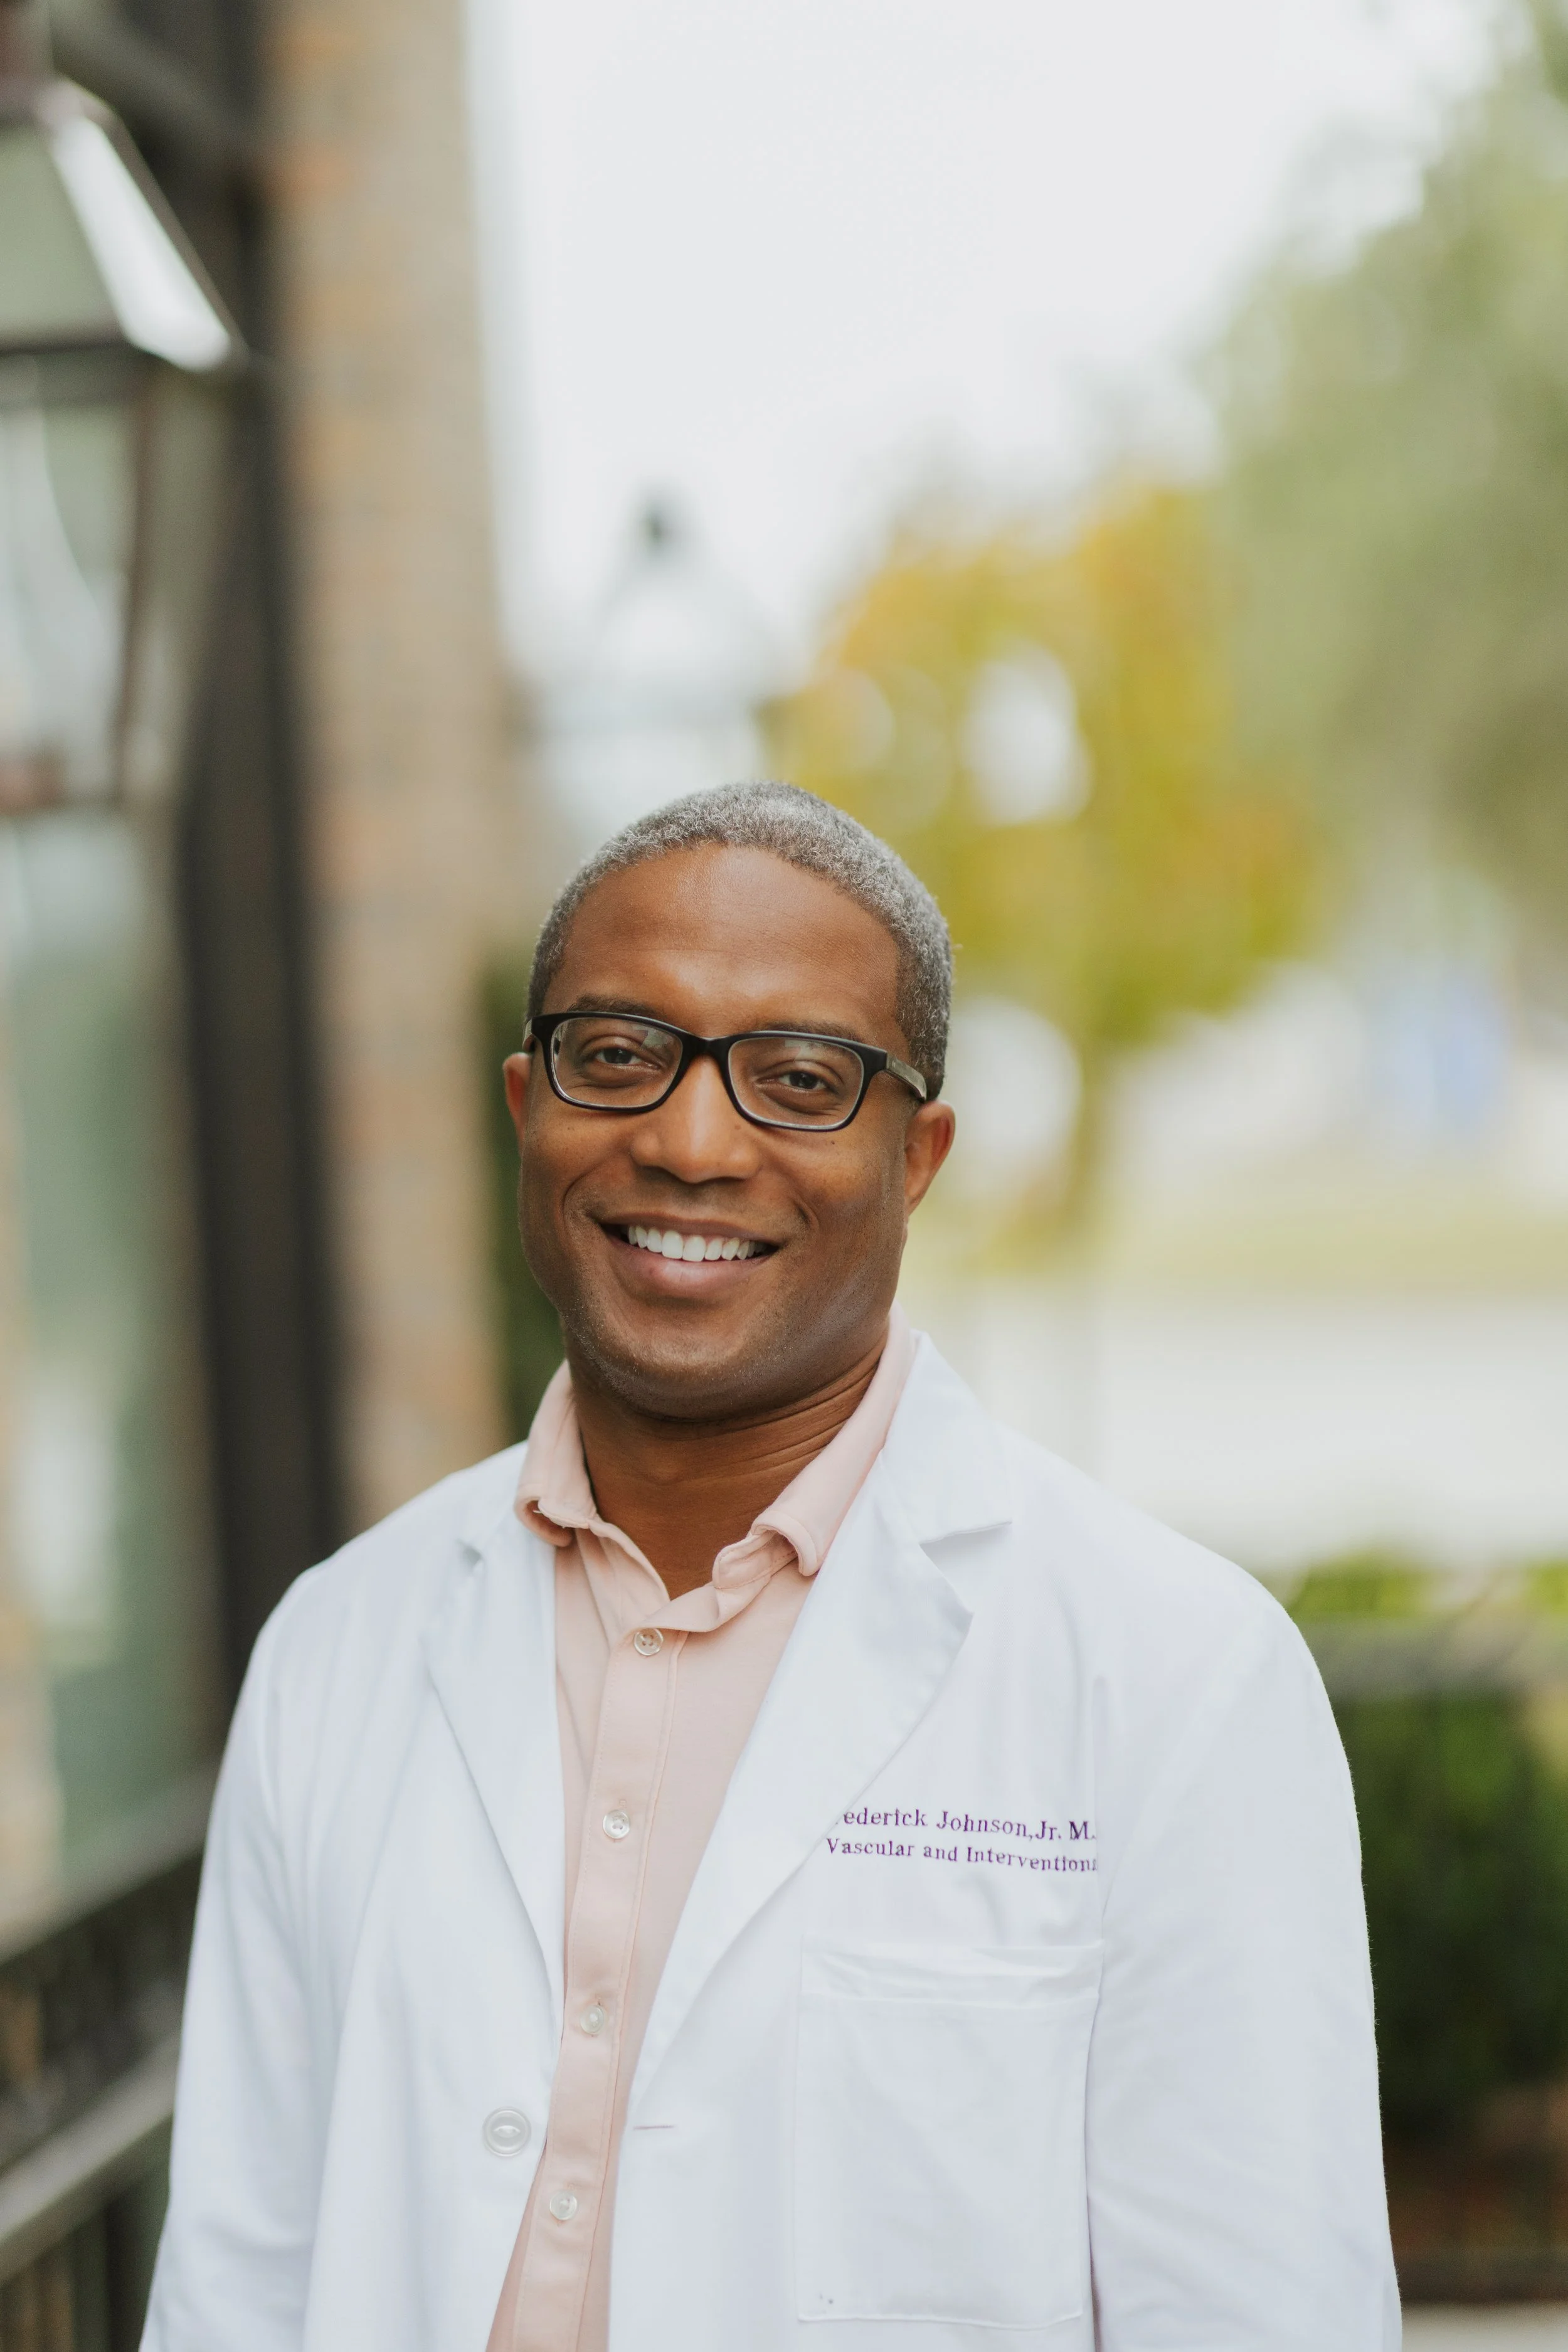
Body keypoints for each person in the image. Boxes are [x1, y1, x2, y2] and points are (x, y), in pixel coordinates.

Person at [143, 782, 1397, 2352]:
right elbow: (238, 2285)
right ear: (525, 1102)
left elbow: (1255, 2316)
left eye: (797, 1079)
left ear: (916, 1153)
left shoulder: (1169, 1675)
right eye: (620, 1056)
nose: (687, 1139)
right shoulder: (340, 1641)